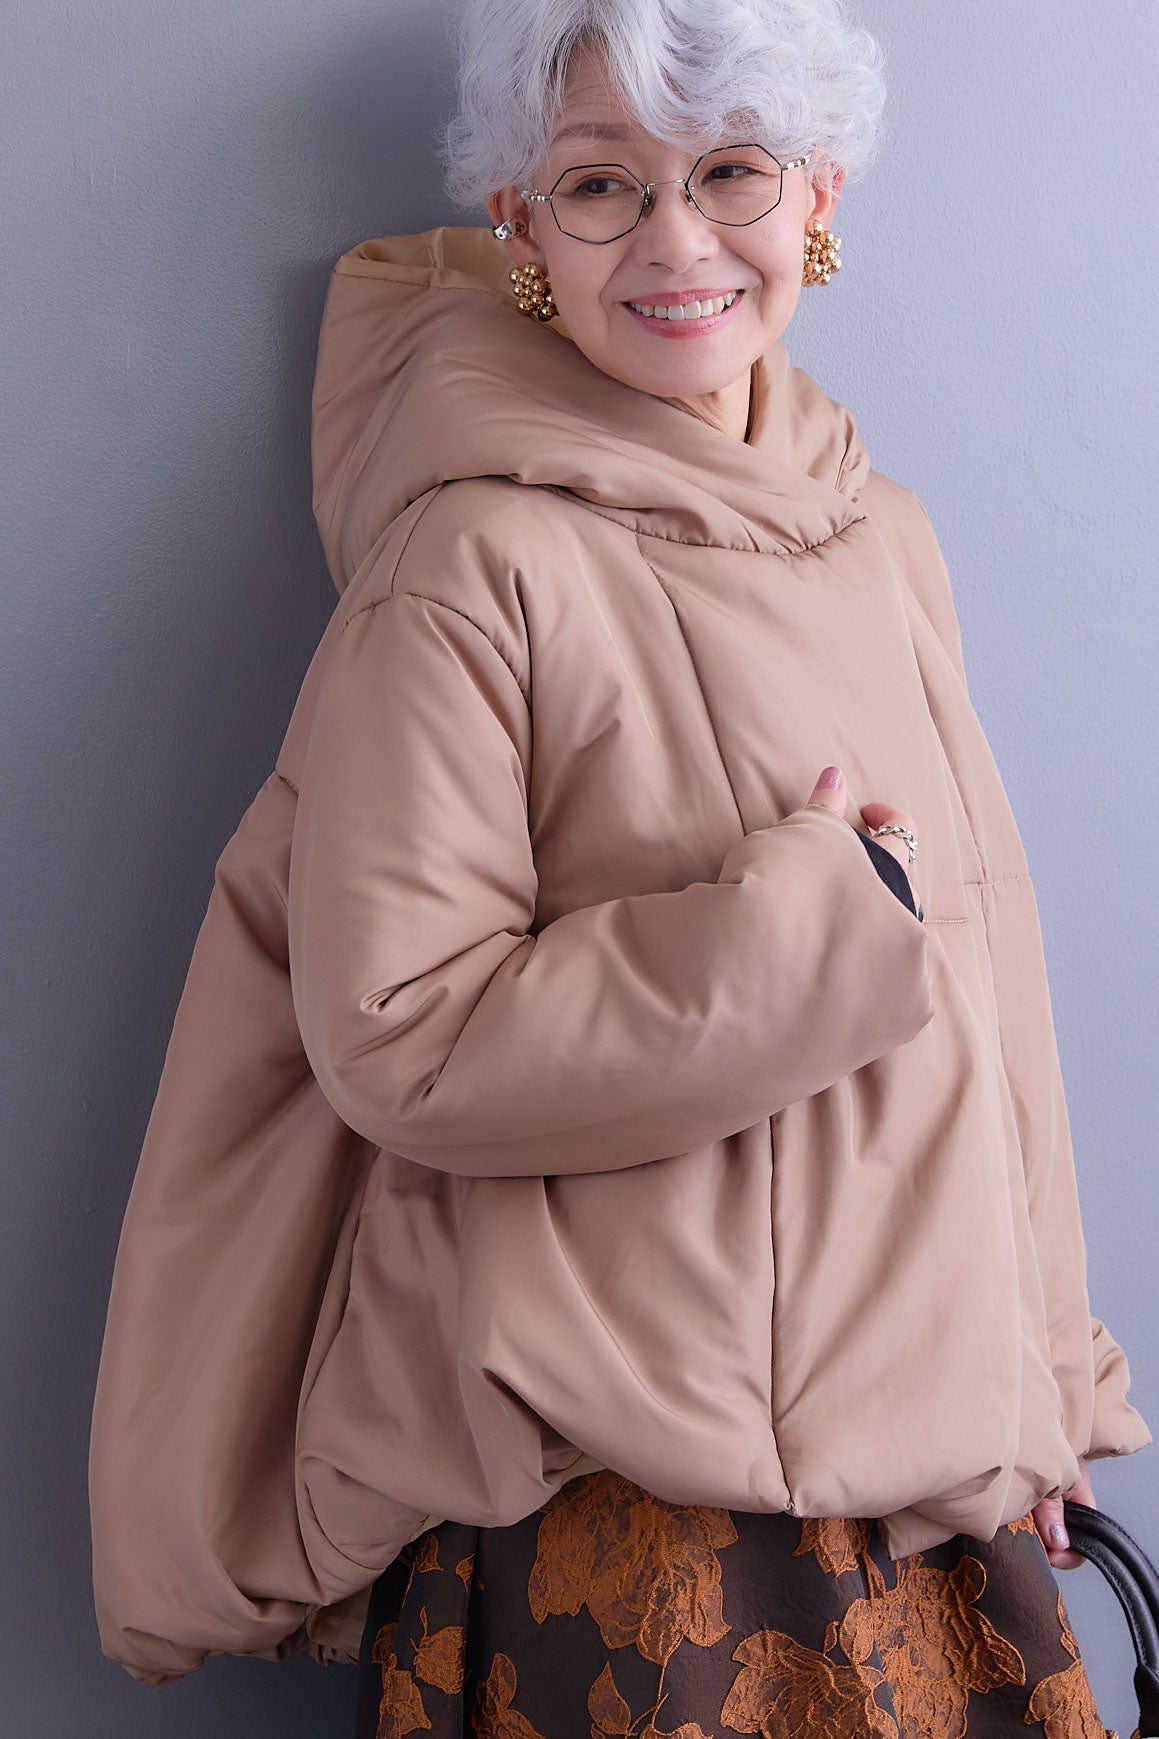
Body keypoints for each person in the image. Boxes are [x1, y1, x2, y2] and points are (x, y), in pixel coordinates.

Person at [88, 0, 1151, 1732]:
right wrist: (811, 933)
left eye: (730, 172)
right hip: (628, 1518)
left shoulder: (882, 535)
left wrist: (1040, 1381)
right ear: (521, 227)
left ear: (818, 196)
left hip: (917, 1493)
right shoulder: (470, 563)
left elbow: (991, 982)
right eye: (601, 186)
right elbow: (402, 1035)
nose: (674, 241)